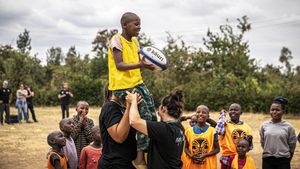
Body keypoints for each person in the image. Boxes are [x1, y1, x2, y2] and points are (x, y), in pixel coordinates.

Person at [108, 11, 156, 167]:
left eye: (139, 23)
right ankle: (139, 158)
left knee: (152, 114)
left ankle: (150, 152)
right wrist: (141, 65)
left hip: (137, 83)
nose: (139, 27)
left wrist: (146, 66)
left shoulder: (135, 42)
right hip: (123, 86)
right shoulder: (117, 39)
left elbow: (135, 67)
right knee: (142, 115)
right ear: (124, 25)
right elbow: (120, 65)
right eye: (136, 24)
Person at [127, 90, 185, 169]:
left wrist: (133, 101)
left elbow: (134, 121)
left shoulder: (163, 129)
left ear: (164, 109)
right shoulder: (179, 128)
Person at [98, 83, 137, 169]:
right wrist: (129, 106)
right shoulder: (110, 107)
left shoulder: (121, 107)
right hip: (114, 164)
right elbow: (119, 137)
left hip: (125, 163)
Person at [260, 96, 297, 169]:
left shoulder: (289, 127)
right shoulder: (264, 125)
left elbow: (292, 145)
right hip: (267, 159)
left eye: (277, 110)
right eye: (272, 109)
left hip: (283, 160)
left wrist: (287, 158)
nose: (274, 112)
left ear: (283, 111)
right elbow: (263, 142)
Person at [182, 105, 220, 169]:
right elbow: (185, 148)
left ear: (208, 116)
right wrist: (192, 156)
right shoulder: (188, 131)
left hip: (208, 165)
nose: (200, 114)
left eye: (204, 112)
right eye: (198, 112)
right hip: (192, 165)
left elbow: (217, 149)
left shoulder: (212, 131)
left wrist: (205, 155)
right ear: (195, 114)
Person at [216, 103, 252, 169]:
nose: (233, 111)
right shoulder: (225, 124)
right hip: (227, 158)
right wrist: (222, 116)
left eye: (236, 110)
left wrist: (250, 142)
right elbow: (218, 130)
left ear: (241, 112)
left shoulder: (247, 127)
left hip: (241, 158)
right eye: (231, 110)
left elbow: (249, 147)